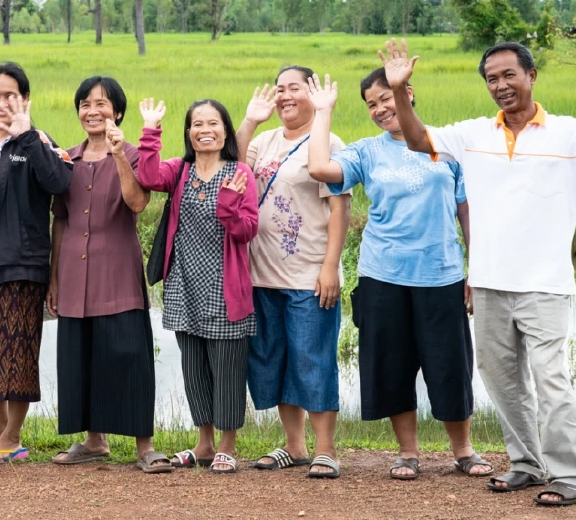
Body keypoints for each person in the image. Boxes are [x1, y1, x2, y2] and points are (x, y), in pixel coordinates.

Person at [383, 39, 576, 508]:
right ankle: (526, 464)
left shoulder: (570, 134)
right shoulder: (474, 134)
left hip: (544, 284)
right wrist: (401, 91)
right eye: (492, 78)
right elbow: (417, 139)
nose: (501, 85)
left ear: (531, 76)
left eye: (509, 75)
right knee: (503, 381)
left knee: (551, 381)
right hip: (488, 283)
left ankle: (571, 475)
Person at [305, 67, 491, 481]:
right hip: (382, 274)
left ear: (408, 93)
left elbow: (467, 210)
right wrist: (323, 112)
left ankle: (463, 450)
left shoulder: (446, 146)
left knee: (450, 365)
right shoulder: (367, 151)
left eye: (386, 98)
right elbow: (319, 168)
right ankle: (407, 453)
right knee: (393, 364)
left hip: (440, 274)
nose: (379, 109)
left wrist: (474, 270)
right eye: (371, 103)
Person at [48, 76, 172, 474]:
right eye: (85, 104)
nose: (92, 110)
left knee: (129, 354)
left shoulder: (134, 155)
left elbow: (137, 203)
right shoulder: (66, 158)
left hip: (117, 268)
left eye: (101, 104)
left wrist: (119, 156)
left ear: (117, 111)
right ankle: (93, 441)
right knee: (78, 356)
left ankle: (145, 447)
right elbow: (60, 221)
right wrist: (53, 279)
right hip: (72, 270)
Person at [234, 67, 350, 480]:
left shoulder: (328, 141)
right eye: (279, 89)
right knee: (274, 360)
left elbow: (340, 207)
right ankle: (294, 445)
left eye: (293, 88)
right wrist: (250, 119)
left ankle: (326, 449)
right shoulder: (264, 141)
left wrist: (330, 267)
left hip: (307, 273)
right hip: (261, 272)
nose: (284, 95)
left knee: (312, 359)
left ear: (312, 93)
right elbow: (233, 169)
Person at [0, 63, 73, 464]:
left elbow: (60, 184)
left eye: (11, 95)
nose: (2, 102)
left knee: (16, 349)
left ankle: (14, 433)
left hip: (20, 264)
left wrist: (27, 136)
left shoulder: (37, 140)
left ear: (25, 99)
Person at [137, 96, 259, 475]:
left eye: (213, 124)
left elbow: (247, 230)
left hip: (225, 285)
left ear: (226, 131)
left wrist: (228, 205)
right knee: (193, 366)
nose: (205, 130)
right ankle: (203, 443)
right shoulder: (180, 170)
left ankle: (227, 443)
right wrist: (150, 130)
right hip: (183, 283)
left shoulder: (240, 174)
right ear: (188, 133)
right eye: (197, 124)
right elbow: (147, 176)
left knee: (227, 368)